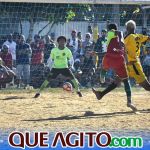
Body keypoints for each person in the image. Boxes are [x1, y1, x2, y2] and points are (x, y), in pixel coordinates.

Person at [92, 23, 137, 112]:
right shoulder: (121, 40)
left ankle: (102, 78)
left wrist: (120, 37)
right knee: (125, 81)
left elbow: (118, 33)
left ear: (109, 29)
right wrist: (127, 61)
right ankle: (129, 101)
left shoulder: (111, 33)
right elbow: (122, 51)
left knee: (107, 70)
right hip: (120, 60)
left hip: (109, 58)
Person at [124, 20, 150, 91]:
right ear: (135, 28)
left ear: (127, 29)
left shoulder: (128, 37)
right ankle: (101, 93)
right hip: (133, 63)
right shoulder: (139, 36)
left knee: (147, 87)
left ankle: (101, 94)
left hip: (132, 64)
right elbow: (148, 38)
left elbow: (122, 46)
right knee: (118, 79)